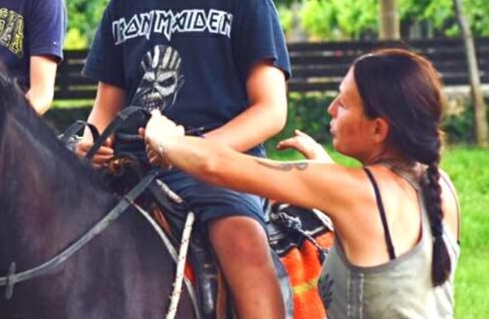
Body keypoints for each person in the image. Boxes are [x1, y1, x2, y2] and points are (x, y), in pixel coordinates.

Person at [77, 0, 290, 319]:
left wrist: (195, 151)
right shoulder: (123, 4)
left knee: (243, 242)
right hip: (130, 169)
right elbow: (104, 110)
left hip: (220, 169)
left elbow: (271, 110)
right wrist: (93, 144)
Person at [145, 48, 460, 319]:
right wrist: (327, 170)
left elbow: (217, 166)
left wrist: (165, 139)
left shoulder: (354, 192)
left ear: (378, 129)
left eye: (344, 104)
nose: (331, 109)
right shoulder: (440, 187)